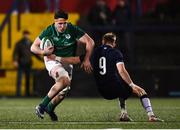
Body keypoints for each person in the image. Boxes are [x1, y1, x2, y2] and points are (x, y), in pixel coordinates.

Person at [50, 32, 164, 122]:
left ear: (102, 41)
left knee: (121, 88)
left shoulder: (94, 53)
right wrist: (131, 84)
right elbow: (121, 70)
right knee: (141, 91)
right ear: (114, 43)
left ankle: (124, 114)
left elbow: (75, 60)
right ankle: (151, 116)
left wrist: (57, 58)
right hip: (113, 87)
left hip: (102, 91)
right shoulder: (116, 53)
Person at [30, 10, 94, 121]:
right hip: (52, 60)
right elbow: (33, 47)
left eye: (64, 23)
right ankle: (42, 106)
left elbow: (90, 42)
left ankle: (50, 108)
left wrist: (87, 59)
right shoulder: (49, 31)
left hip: (66, 61)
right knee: (64, 80)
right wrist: (43, 52)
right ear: (55, 22)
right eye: (60, 23)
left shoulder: (72, 29)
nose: (62, 26)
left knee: (63, 91)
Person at [13, 30, 42, 97]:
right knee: (19, 79)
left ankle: (27, 93)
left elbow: (35, 53)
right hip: (21, 63)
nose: (26, 36)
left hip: (28, 63)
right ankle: (18, 94)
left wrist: (42, 60)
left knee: (28, 79)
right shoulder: (19, 43)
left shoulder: (31, 43)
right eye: (25, 34)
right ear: (23, 35)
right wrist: (15, 61)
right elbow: (15, 53)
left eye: (27, 34)